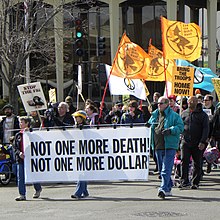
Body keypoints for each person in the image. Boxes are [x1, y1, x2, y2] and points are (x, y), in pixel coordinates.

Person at [147, 96, 184, 199]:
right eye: (158, 103)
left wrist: (171, 130)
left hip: (169, 145)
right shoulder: (155, 114)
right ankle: (168, 187)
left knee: (165, 169)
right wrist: (147, 125)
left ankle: (162, 188)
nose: (159, 105)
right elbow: (151, 123)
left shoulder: (174, 116)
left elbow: (180, 127)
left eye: (161, 103)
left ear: (167, 104)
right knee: (161, 168)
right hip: (158, 145)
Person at [179, 96, 209, 189]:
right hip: (185, 142)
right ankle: (184, 181)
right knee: (184, 161)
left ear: (196, 103)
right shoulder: (184, 113)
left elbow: (206, 129)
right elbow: (180, 126)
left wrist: (202, 141)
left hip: (198, 142)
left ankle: (195, 182)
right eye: (188, 102)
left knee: (197, 162)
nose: (189, 103)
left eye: (191, 102)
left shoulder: (203, 115)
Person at [14, 116, 42, 201]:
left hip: (31, 158)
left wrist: (28, 133)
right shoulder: (18, 134)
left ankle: (38, 188)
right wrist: (19, 153)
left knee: (33, 175)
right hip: (21, 158)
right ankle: (22, 194)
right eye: (20, 122)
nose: (20, 124)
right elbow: (15, 147)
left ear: (27, 123)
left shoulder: (32, 133)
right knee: (21, 177)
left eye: (22, 122)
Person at [71, 110, 89, 199]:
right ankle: (84, 191)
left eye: (76, 117)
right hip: (77, 152)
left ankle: (78, 192)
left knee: (81, 173)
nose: (75, 118)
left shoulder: (86, 128)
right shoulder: (75, 127)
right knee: (81, 172)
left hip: (85, 152)